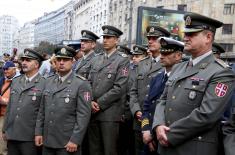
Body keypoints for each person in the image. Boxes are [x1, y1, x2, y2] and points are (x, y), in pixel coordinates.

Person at [152, 12, 235, 155]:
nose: (185, 38)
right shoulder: (179, 67)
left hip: (193, 147)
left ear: (208, 37)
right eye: (186, 34)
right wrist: (158, 125)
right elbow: (163, 99)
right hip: (165, 146)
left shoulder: (221, 72)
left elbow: (206, 115)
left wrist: (169, 135)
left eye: (192, 34)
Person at [35, 45, 91, 155]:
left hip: (67, 142)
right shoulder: (48, 81)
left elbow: (83, 115)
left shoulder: (81, 84)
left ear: (72, 62)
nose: (61, 62)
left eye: (65, 60)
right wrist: (38, 132)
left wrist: (75, 139)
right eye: (59, 59)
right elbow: (42, 110)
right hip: (48, 140)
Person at [88, 25, 129, 155]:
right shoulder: (96, 59)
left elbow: (119, 88)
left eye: (109, 37)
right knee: (94, 149)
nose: (105, 40)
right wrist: (89, 102)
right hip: (92, 111)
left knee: (109, 150)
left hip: (109, 113)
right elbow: (88, 83)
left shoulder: (122, 60)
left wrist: (99, 104)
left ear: (116, 40)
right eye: (104, 37)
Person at [129, 26, 170, 155]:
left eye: (154, 38)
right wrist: (136, 110)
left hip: (158, 122)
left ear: (163, 41)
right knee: (138, 151)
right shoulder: (142, 63)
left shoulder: (169, 63)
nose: (150, 41)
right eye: (149, 38)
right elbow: (133, 91)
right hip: (139, 119)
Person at [141, 37, 184, 154]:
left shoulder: (183, 79)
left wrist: (156, 133)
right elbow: (147, 107)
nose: (163, 56)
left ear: (178, 56)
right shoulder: (157, 78)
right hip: (149, 136)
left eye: (168, 53)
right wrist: (146, 130)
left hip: (166, 136)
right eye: (162, 52)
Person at [2, 48, 45, 155]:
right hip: (12, 134)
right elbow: (10, 107)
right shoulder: (16, 81)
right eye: (23, 60)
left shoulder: (45, 83)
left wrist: (39, 133)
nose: (24, 62)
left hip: (30, 136)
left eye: (28, 60)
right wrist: (4, 129)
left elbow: (43, 112)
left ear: (36, 65)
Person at [0, 61, 19, 155]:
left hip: (13, 117)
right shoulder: (2, 80)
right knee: (2, 144)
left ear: (14, 69)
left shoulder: (20, 80)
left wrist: (3, 101)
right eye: (3, 69)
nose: (5, 71)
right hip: (2, 115)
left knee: (6, 144)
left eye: (7, 69)